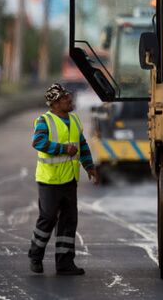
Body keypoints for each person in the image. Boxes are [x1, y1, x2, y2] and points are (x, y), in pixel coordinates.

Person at [28, 83, 99, 275]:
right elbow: (38, 142)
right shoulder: (44, 120)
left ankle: (65, 263)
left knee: (69, 221)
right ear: (56, 102)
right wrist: (63, 149)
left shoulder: (74, 120)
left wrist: (89, 166)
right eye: (66, 97)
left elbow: (82, 144)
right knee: (48, 218)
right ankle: (35, 256)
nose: (70, 99)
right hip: (49, 180)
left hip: (69, 180)